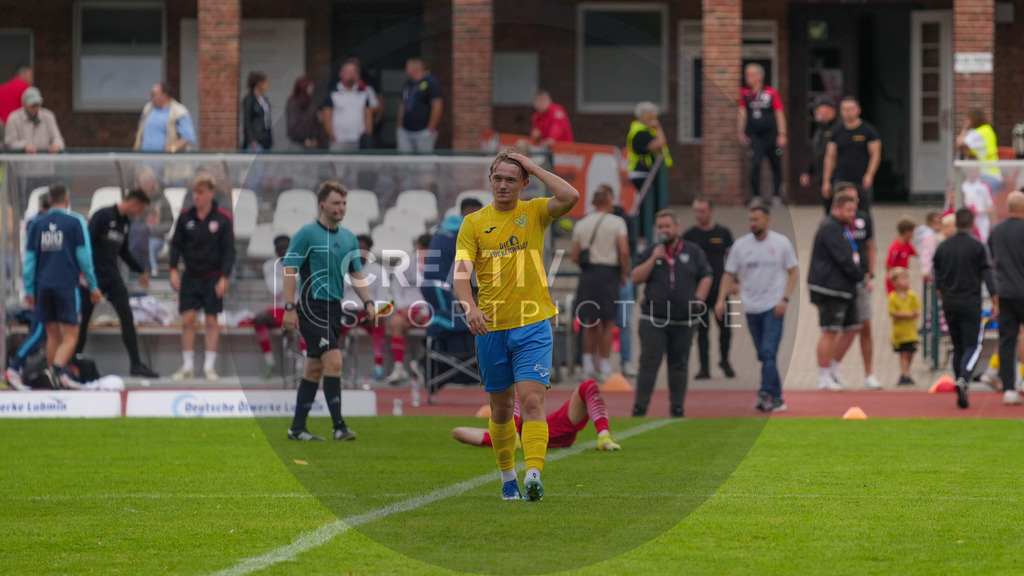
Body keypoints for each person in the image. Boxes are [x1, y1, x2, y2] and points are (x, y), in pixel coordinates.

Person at [454, 149, 579, 502]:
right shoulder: (474, 223)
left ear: (524, 184)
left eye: (512, 179)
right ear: (489, 181)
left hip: (533, 323)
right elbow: (461, 277)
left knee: (532, 400)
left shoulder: (535, 211)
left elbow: (570, 196)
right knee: (501, 409)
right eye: (498, 178)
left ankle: (533, 476)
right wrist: (470, 307)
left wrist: (534, 166)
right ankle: (508, 477)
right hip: (491, 327)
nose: (503, 185)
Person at [282, 181, 376, 441]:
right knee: (334, 360)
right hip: (311, 307)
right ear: (322, 205)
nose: (341, 208)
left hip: (333, 308)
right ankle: (338, 427)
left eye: (344, 203)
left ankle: (297, 429)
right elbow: (289, 269)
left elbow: (356, 273)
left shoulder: (348, 238)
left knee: (313, 369)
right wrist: (290, 308)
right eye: (336, 203)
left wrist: (368, 303)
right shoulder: (306, 234)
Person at [715, 205, 799, 412]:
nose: (753, 223)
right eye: (750, 219)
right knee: (763, 354)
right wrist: (720, 299)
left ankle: (763, 392)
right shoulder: (741, 246)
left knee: (769, 351)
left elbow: (793, 272)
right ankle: (777, 397)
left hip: (774, 307)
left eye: (757, 219)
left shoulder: (781, 243)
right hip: (751, 308)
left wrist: (785, 299)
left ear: (767, 221)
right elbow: (728, 274)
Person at [630, 209, 712, 418]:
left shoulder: (693, 251)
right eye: (660, 227)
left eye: (667, 226)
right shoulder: (650, 251)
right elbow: (635, 278)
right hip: (653, 320)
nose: (664, 230)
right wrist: (653, 259)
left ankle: (677, 408)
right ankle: (640, 409)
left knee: (679, 364)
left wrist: (699, 299)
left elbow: (706, 275)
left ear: (676, 227)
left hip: (684, 320)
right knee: (649, 364)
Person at [22, 183, 102, 389]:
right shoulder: (75, 222)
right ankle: (56, 371)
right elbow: (84, 257)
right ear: (67, 201)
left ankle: (54, 381)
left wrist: (29, 290)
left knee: (53, 335)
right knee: (71, 335)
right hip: (66, 284)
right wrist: (93, 286)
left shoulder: (37, 224)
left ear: (49, 201)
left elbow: (29, 261)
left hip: (43, 286)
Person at [75, 188, 158, 378]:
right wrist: (85, 276)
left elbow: (123, 251)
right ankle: (75, 362)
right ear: (134, 203)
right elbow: (85, 244)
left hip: (112, 277)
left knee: (126, 317)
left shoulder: (125, 223)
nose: (140, 213)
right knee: (84, 319)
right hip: (93, 278)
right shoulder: (103, 216)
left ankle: (136, 365)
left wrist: (140, 270)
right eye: (141, 208)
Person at [168, 175, 235, 381]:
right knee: (187, 320)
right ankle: (187, 366)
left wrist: (224, 277)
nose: (196, 196)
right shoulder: (185, 218)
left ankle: (209, 367)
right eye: (195, 192)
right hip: (190, 276)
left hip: (213, 278)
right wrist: (172, 270)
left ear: (210, 194)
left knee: (211, 321)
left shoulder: (223, 218)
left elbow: (229, 251)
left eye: (201, 192)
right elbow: (176, 245)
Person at [933, 208, 997, 409]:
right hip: (970, 302)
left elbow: (937, 276)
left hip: (949, 302)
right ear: (972, 224)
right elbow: (987, 274)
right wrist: (995, 301)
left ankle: (960, 381)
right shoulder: (978, 246)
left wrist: (942, 294)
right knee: (974, 345)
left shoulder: (943, 247)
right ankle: (964, 379)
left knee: (957, 345)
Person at [452, 380, 620, 451]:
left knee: (589, 385)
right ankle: (516, 434)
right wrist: (502, 431)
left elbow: (459, 432)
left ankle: (604, 437)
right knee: (513, 385)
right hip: (533, 433)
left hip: (552, 425)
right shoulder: (505, 437)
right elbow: (458, 432)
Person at [808, 193, 865, 392]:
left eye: (853, 210)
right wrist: (861, 275)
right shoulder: (830, 227)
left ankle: (832, 370)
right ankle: (822, 377)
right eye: (848, 210)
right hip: (829, 288)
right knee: (830, 330)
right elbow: (843, 258)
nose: (852, 214)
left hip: (845, 288)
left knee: (853, 328)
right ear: (837, 209)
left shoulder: (841, 228)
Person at [572, 186, 629, 381]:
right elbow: (623, 251)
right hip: (608, 274)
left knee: (588, 322)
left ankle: (587, 367)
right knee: (607, 322)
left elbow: (574, 255)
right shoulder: (617, 222)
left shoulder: (582, 223)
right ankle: (605, 367)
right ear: (609, 200)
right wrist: (624, 273)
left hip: (588, 274)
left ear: (592, 202)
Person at [826, 183, 880, 390]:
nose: (856, 202)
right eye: (851, 198)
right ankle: (830, 369)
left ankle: (869, 374)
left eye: (856, 198)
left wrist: (870, 274)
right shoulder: (833, 224)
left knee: (865, 326)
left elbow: (870, 246)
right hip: (841, 282)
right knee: (839, 328)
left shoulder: (864, 218)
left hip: (860, 280)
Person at [683, 196, 735, 379]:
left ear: (711, 211)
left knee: (726, 329)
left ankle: (725, 361)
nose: (698, 215)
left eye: (702, 211)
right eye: (696, 211)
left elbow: (733, 258)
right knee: (702, 331)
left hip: (720, 291)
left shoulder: (723, 233)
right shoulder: (689, 236)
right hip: (699, 293)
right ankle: (704, 368)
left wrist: (735, 282)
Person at [3, 193, 50, 390]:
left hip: (41, 284)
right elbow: (30, 261)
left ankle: (23, 370)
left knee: (38, 331)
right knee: (39, 332)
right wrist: (30, 288)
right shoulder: (39, 225)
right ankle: (13, 369)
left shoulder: (36, 224)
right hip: (42, 284)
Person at [382, 233, 433, 384]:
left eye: (426, 249)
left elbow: (437, 291)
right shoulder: (405, 263)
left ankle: (426, 366)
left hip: (427, 308)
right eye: (420, 248)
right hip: (407, 307)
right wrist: (403, 307)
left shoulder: (438, 264)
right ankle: (399, 368)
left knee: (433, 328)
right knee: (395, 324)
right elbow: (396, 289)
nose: (423, 252)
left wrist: (424, 311)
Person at [988, 190, 1024, 405]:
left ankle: (1008, 388)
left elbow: (991, 259)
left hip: (1005, 292)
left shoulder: (997, 230)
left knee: (1006, 340)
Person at [737, 63, 787, 207]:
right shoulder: (745, 94)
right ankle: (757, 196)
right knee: (755, 164)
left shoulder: (771, 93)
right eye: (746, 75)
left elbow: (779, 114)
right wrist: (740, 132)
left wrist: (782, 134)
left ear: (760, 76)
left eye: (751, 75)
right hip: (755, 136)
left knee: (776, 165)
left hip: (772, 135)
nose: (748, 78)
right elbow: (742, 113)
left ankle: (776, 196)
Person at [821, 97, 881, 214]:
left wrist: (869, 174)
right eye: (845, 109)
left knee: (863, 213)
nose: (848, 112)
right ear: (841, 111)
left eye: (851, 109)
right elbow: (830, 157)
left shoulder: (869, 130)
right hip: (841, 179)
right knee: (840, 211)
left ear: (858, 110)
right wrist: (826, 181)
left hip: (861, 179)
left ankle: (865, 233)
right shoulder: (836, 132)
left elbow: (875, 155)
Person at [627, 101, 672, 242]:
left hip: (649, 174)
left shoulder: (645, 130)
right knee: (647, 208)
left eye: (656, 118)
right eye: (652, 118)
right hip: (643, 174)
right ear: (642, 116)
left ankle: (645, 237)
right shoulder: (640, 132)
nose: (655, 121)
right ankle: (642, 239)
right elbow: (659, 144)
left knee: (653, 208)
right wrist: (658, 128)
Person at [253, 235, 293, 379]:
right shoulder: (269, 265)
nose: (283, 251)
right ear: (275, 250)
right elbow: (274, 290)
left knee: (309, 319)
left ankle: (302, 366)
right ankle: (270, 362)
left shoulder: (302, 263)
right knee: (259, 319)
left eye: (286, 248)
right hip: (279, 308)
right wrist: (290, 275)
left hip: (297, 308)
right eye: (280, 248)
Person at [322, 61, 377, 152]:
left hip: (359, 141)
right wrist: (332, 137)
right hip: (339, 140)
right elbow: (326, 117)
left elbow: (368, 115)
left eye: (353, 72)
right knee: (338, 165)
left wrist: (368, 136)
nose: (351, 75)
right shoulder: (333, 93)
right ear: (341, 74)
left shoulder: (364, 93)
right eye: (347, 72)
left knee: (357, 166)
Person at [611, 199, 639, 377]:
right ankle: (600, 363)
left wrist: (623, 273)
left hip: (620, 278)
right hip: (606, 278)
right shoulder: (591, 218)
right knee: (602, 322)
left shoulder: (624, 220)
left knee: (624, 321)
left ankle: (626, 360)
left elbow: (629, 249)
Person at [800, 96, 841, 213]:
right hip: (822, 176)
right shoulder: (820, 129)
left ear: (830, 109)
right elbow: (816, 153)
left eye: (818, 109)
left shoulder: (839, 128)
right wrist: (807, 171)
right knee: (828, 210)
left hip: (837, 176)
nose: (815, 112)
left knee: (838, 209)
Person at [133, 83, 196, 153]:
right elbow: (140, 133)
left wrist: (172, 148)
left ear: (165, 96)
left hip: (169, 162)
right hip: (145, 161)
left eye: (154, 94)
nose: (151, 97)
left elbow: (188, 137)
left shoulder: (179, 112)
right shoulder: (148, 109)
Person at [397, 58, 442, 153]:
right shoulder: (408, 85)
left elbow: (437, 106)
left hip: (423, 131)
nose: (406, 71)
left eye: (407, 68)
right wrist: (399, 127)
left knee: (424, 164)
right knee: (405, 164)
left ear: (415, 68)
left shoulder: (430, 83)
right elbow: (403, 105)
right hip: (406, 130)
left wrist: (430, 128)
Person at [3, 87, 64, 153]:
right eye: (32, 105)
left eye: (37, 104)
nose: (35, 107)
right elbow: (9, 143)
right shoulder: (14, 118)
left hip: (44, 160)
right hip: (22, 161)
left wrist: (56, 145)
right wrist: (24, 145)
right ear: (24, 104)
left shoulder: (48, 116)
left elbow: (57, 138)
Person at [887, 267, 921, 386]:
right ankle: (905, 373)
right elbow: (893, 312)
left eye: (906, 278)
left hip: (911, 331)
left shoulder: (912, 295)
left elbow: (917, 309)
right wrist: (908, 314)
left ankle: (906, 372)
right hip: (900, 333)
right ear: (894, 282)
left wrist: (914, 314)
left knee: (911, 352)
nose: (905, 281)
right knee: (903, 353)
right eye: (902, 278)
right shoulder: (892, 297)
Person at [956, 107, 1001, 192]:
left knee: (980, 203)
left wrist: (965, 128)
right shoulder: (988, 129)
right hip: (993, 173)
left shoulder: (978, 133)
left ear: (974, 119)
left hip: (985, 174)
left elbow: (960, 142)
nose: (966, 122)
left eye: (967, 119)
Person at [961, 167, 995, 243]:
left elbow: (992, 207)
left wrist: (978, 212)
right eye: (969, 172)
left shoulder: (984, 186)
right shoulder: (963, 186)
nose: (971, 174)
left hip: (981, 221)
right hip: (967, 220)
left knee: (982, 241)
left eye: (973, 171)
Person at [240, 71, 272, 151]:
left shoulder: (264, 100)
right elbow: (247, 120)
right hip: (256, 139)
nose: (267, 85)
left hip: (265, 138)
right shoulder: (249, 100)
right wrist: (252, 139)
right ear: (258, 84)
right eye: (265, 83)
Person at [885, 217, 918, 294]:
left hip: (903, 279)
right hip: (896, 281)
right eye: (912, 231)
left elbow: (915, 253)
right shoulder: (895, 248)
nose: (914, 234)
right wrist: (896, 279)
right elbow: (888, 266)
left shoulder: (907, 243)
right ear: (907, 232)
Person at [286, 77, 319, 151]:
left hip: (311, 143)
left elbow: (314, 123)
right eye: (309, 87)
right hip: (298, 143)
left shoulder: (312, 102)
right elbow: (293, 125)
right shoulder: (293, 103)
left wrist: (313, 137)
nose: (312, 89)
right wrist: (304, 139)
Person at [915, 210, 942, 283]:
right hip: (931, 268)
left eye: (939, 223)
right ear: (928, 223)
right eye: (935, 223)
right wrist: (926, 270)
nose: (938, 226)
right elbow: (928, 252)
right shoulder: (929, 235)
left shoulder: (923, 232)